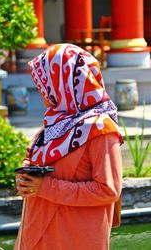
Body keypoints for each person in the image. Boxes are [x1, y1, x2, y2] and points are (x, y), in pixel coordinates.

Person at [14, 43, 122, 250]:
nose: (43, 91)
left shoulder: (101, 129)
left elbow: (108, 190)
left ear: (63, 82)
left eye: (46, 82)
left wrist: (45, 187)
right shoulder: (54, 124)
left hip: (74, 237)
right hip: (37, 232)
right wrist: (25, 176)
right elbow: (32, 157)